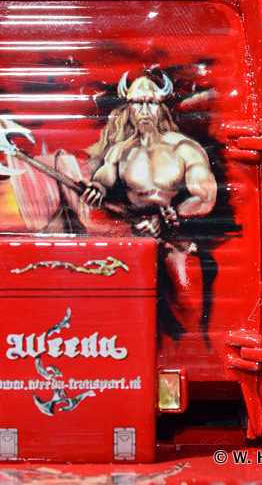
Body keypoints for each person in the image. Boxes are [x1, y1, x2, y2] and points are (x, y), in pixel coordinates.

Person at [81, 73, 217, 339]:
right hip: (133, 238)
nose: (144, 111)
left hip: (175, 238)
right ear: (129, 107)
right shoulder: (120, 151)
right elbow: (103, 179)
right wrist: (96, 190)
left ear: (160, 106)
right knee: (117, 316)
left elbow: (205, 197)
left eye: (150, 103)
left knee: (188, 312)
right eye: (137, 103)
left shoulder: (184, 149)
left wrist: (172, 216)